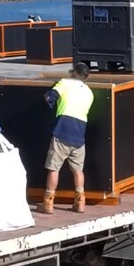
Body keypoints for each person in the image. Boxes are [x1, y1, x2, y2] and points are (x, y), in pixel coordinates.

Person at [40, 61, 93, 214]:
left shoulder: (64, 83)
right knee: (78, 170)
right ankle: (80, 202)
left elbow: (50, 98)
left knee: (53, 168)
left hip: (62, 131)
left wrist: (48, 95)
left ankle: (48, 203)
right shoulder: (89, 92)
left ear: (74, 73)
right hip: (79, 134)